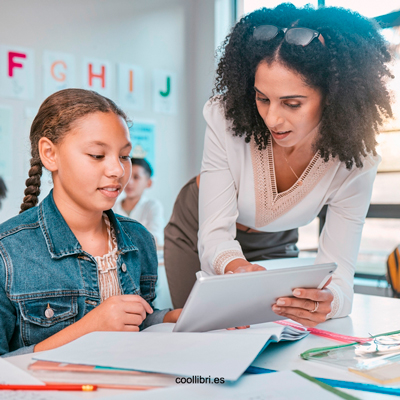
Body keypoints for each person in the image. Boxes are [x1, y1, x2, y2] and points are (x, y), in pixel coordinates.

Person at [165, 4, 393, 326]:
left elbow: (340, 275)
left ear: (333, 96)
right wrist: (236, 268)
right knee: (204, 331)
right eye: (262, 98)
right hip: (198, 226)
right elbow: (214, 235)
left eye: (292, 103)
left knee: (279, 334)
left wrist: (331, 301)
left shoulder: (356, 162)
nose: (272, 118)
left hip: (277, 237)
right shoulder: (226, 117)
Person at [0, 89, 180, 357]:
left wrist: (173, 318)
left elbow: (135, 324)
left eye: (124, 156)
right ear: (50, 154)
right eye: (97, 155)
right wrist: (90, 328)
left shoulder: (139, 239)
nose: (118, 171)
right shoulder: (8, 251)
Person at [113, 158, 165, 246]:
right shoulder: (112, 208)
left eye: (136, 177)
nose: (129, 182)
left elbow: (154, 238)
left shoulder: (153, 206)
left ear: (149, 183)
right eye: (127, 176)